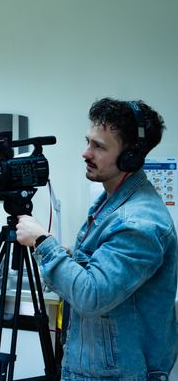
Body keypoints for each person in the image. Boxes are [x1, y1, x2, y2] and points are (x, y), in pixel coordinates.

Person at [15, 98, 178, 381]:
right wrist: (66, 256)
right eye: (87, 141)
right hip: (93, 366)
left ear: (131, 157)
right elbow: (98, 270)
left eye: (99, 146)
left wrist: (42, 243)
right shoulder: (109, 203)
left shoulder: (139, 223)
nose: (85, 153)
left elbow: (92, 295)